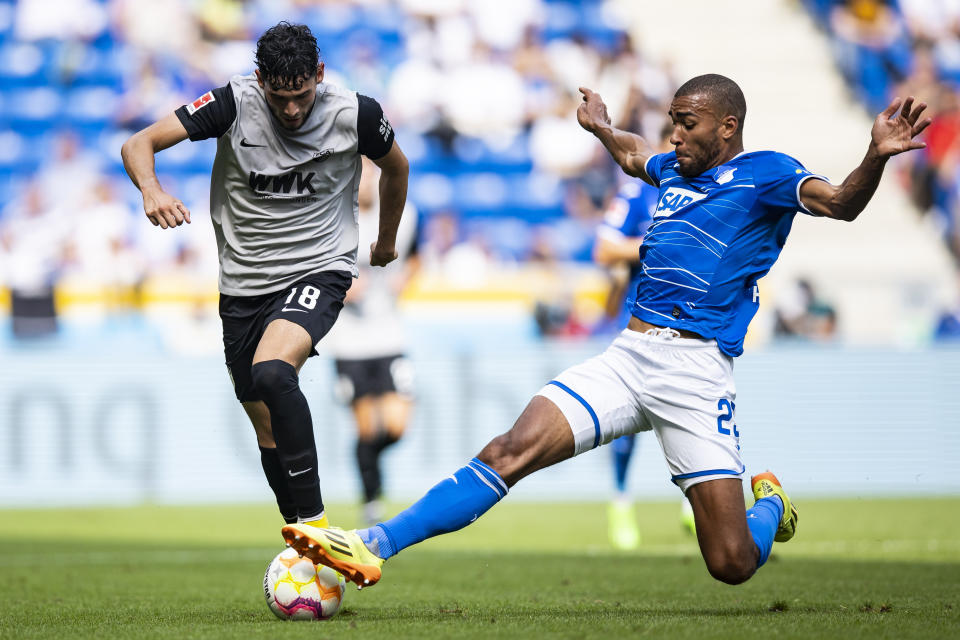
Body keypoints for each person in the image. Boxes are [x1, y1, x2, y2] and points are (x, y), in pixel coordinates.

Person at [282, 73, 929, 589]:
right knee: (511, 449)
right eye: (673, 121)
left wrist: (875, 154)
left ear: (727, 126)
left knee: (730, 562)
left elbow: (840, 202)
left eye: (688, 123)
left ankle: (769, 507)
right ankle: (371, 545)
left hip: (696, 372)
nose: (674, 135)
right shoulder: (673, 169)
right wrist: (600, 129)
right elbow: (631, 154)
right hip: (629, 354)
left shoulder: (767, 175)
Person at [120, 22, 409, 530]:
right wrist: (151, 190)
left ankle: (318, 531)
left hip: (321, 267)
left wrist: (385, 240)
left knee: (274, 372)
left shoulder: (355, 113)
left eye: (301, 95)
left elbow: (396, 167)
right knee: (266, 427)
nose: (292, 109)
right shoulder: (232, 103)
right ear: (261, 80)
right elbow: (138, 143)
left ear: (318, 74)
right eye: (280, 98)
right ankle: (301, 539)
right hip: (243, 286)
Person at [592, 124, 696, 548]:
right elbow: (604, 249)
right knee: (627, 423)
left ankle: (695, 502)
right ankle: (620, 502)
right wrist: (659, 244)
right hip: (641, 320)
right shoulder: (637, 194)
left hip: (693, 320)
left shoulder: (711, 191)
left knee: (693, 411)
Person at [324, 157, 420, 526]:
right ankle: (371, 499)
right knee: (366, 428)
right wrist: (341, 285)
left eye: (368, 171)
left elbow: (416, 257)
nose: (363, 180)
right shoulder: (333, 217)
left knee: (396, 427)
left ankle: (369, 467)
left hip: (389, 334)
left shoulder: (404, 214)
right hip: (348, 342)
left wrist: (406, 279)